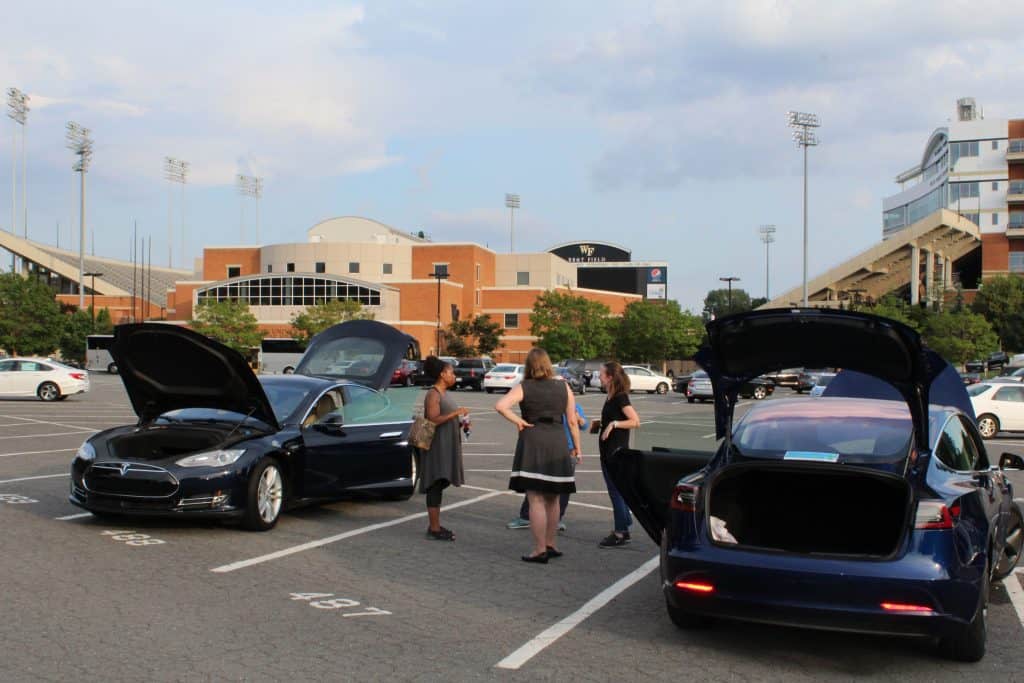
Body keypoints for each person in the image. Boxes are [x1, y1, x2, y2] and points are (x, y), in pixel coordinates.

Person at [496, 348, 582, 563]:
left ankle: (539, 549)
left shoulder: (524, 386)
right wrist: (577, 448)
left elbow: (500, 406)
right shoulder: (564, 387)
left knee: (535, 498)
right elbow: (572, 421)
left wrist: (518, 421)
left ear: (529, 365)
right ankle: (551, 544)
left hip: (533, 440)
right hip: (557, 441)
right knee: (553, 498)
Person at [506, 390, 587, 531]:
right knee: (536, 483)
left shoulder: (576, 406)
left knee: (562, 488)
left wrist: (580, 420)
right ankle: (526, 517)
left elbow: (583, 425)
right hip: (551, 448)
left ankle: (557, 519)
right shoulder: (551, 406)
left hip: (568, 450)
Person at [420, 356, 469, 541]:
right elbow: (432, 419)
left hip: (446, 443)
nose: (454, 375)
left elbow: (446, 419)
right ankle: (434, 528)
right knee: (436, 482)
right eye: (451, 372)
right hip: (436, 445)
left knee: (442, 481)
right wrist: (455, 413)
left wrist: (461, 422)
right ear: (442, 374)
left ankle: (435, 525)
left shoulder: (445, 393)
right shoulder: (433, 394)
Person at [597, 361, 640, 548]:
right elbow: (612, 418)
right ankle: (624, 527)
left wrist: (614, 424)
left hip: (616, 452)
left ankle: (621, 532)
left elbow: (635, 421)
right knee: (616, 491)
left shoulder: (620, 397)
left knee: (616, 492)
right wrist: (600, 424)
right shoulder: (610, 396)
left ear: (610, 377)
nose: (598, 376)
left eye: (601, 373)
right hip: (607, 451)